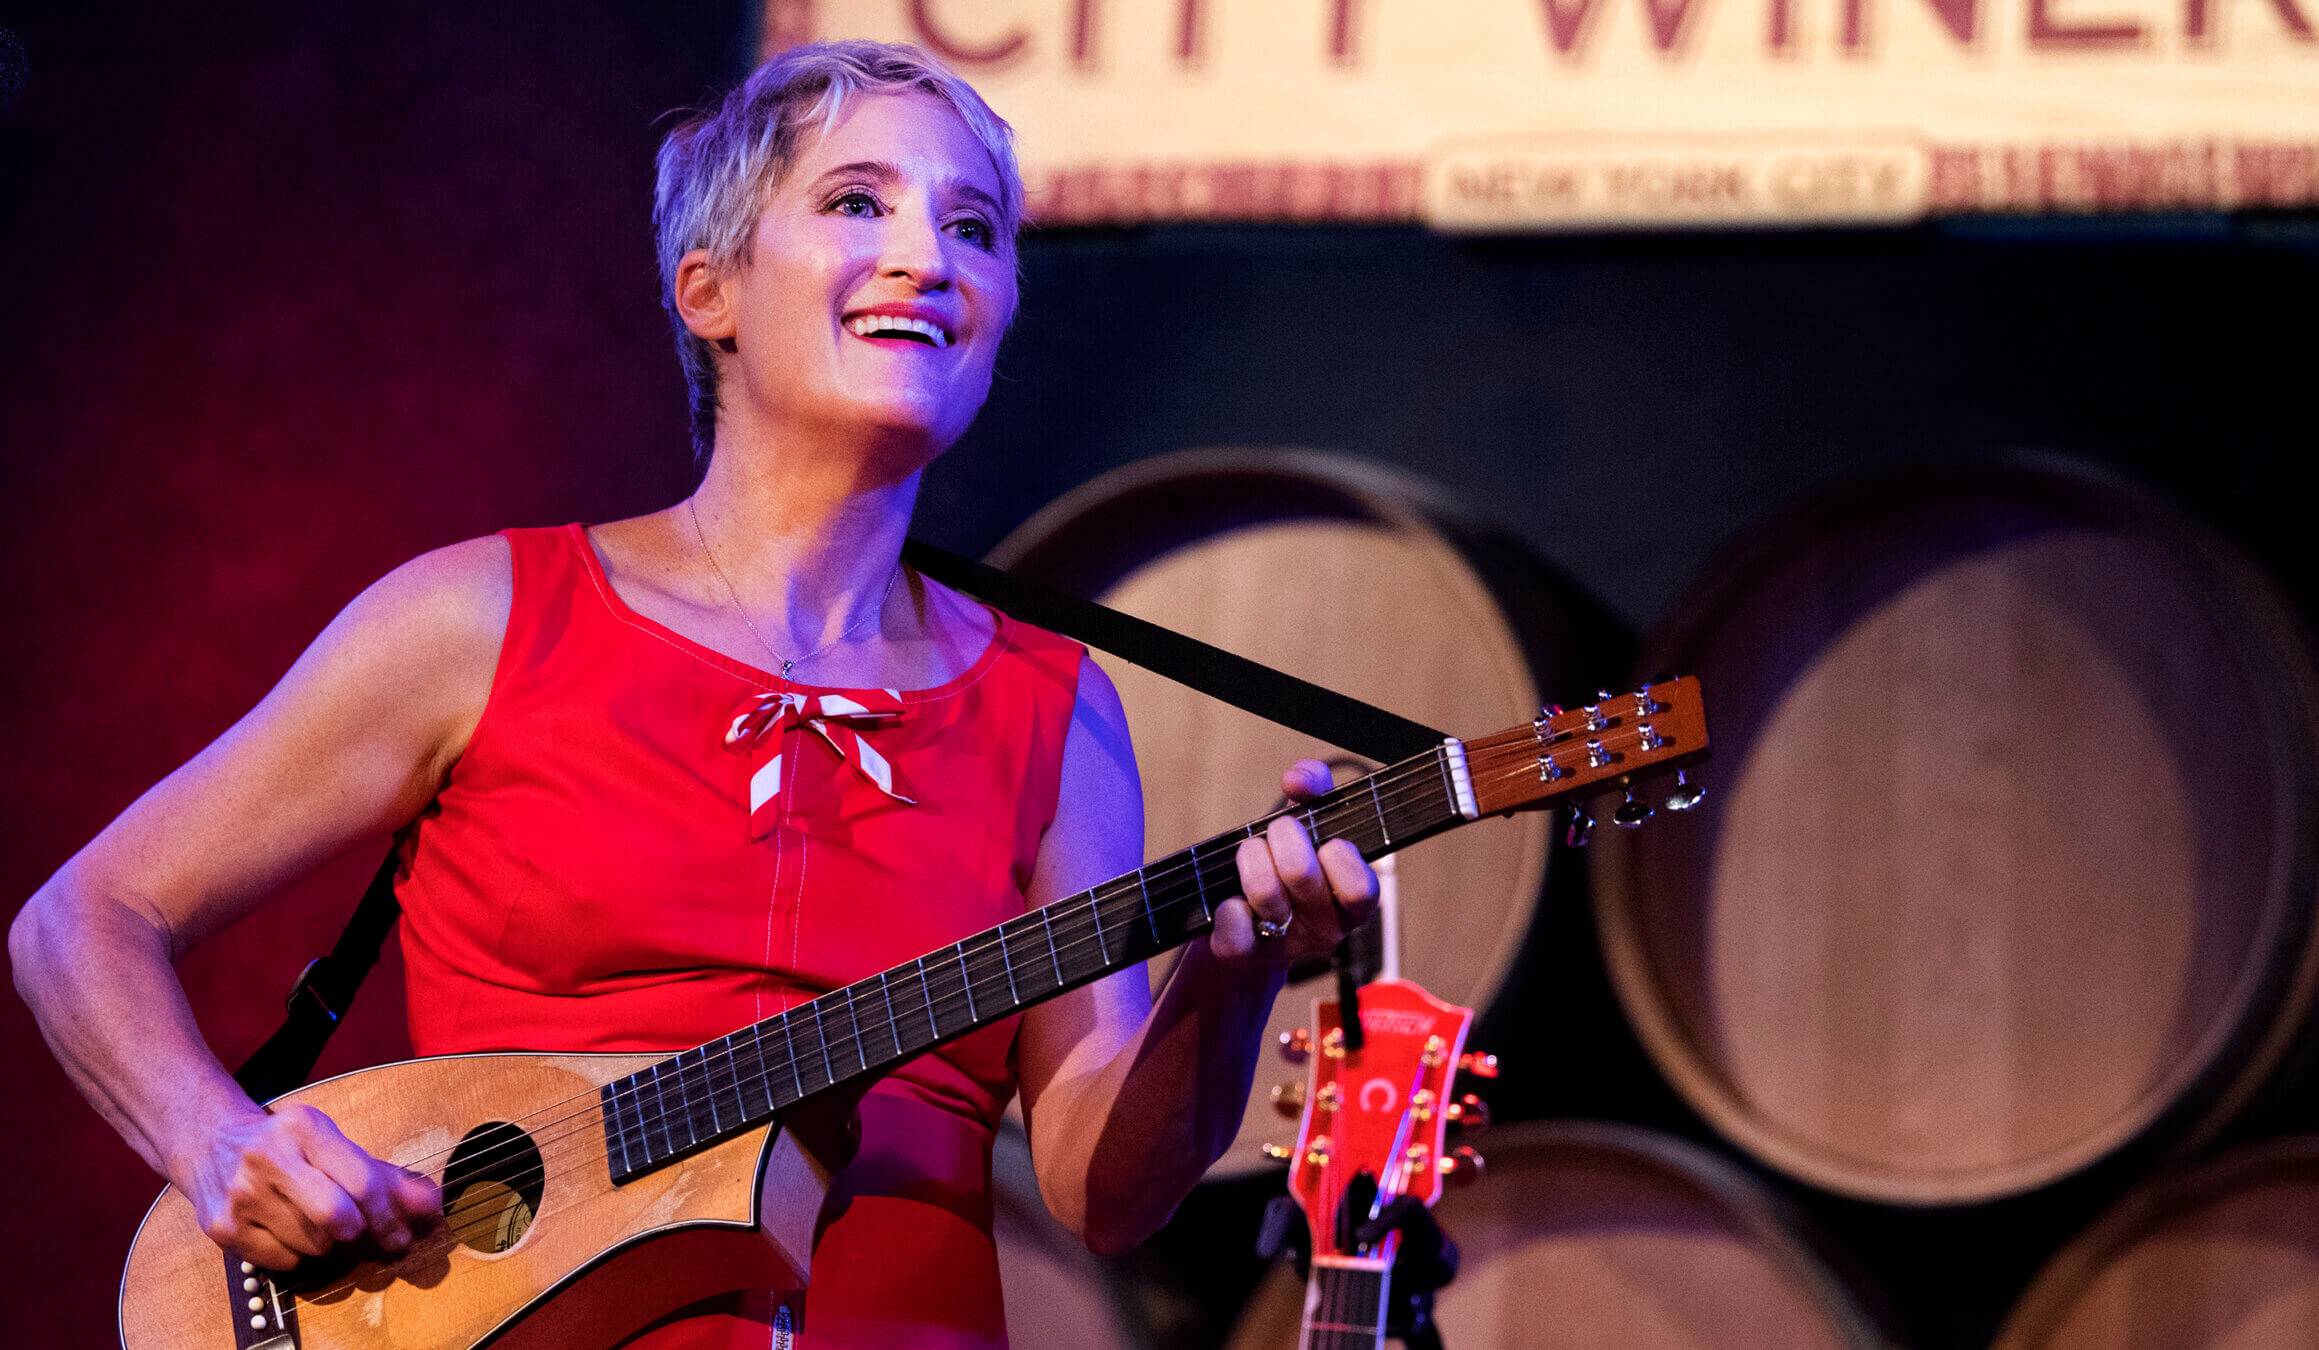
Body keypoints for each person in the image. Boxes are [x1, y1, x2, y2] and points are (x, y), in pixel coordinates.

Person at [9, 39, 1378, 1349]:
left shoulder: (1054, 705)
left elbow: (1100, 1192)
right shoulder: (484, 618)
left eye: (975, 229)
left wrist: (1235, 970)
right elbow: (84, 918)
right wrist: (216, 1140)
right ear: (707, 288)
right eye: (858, 202)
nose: (928, 256)